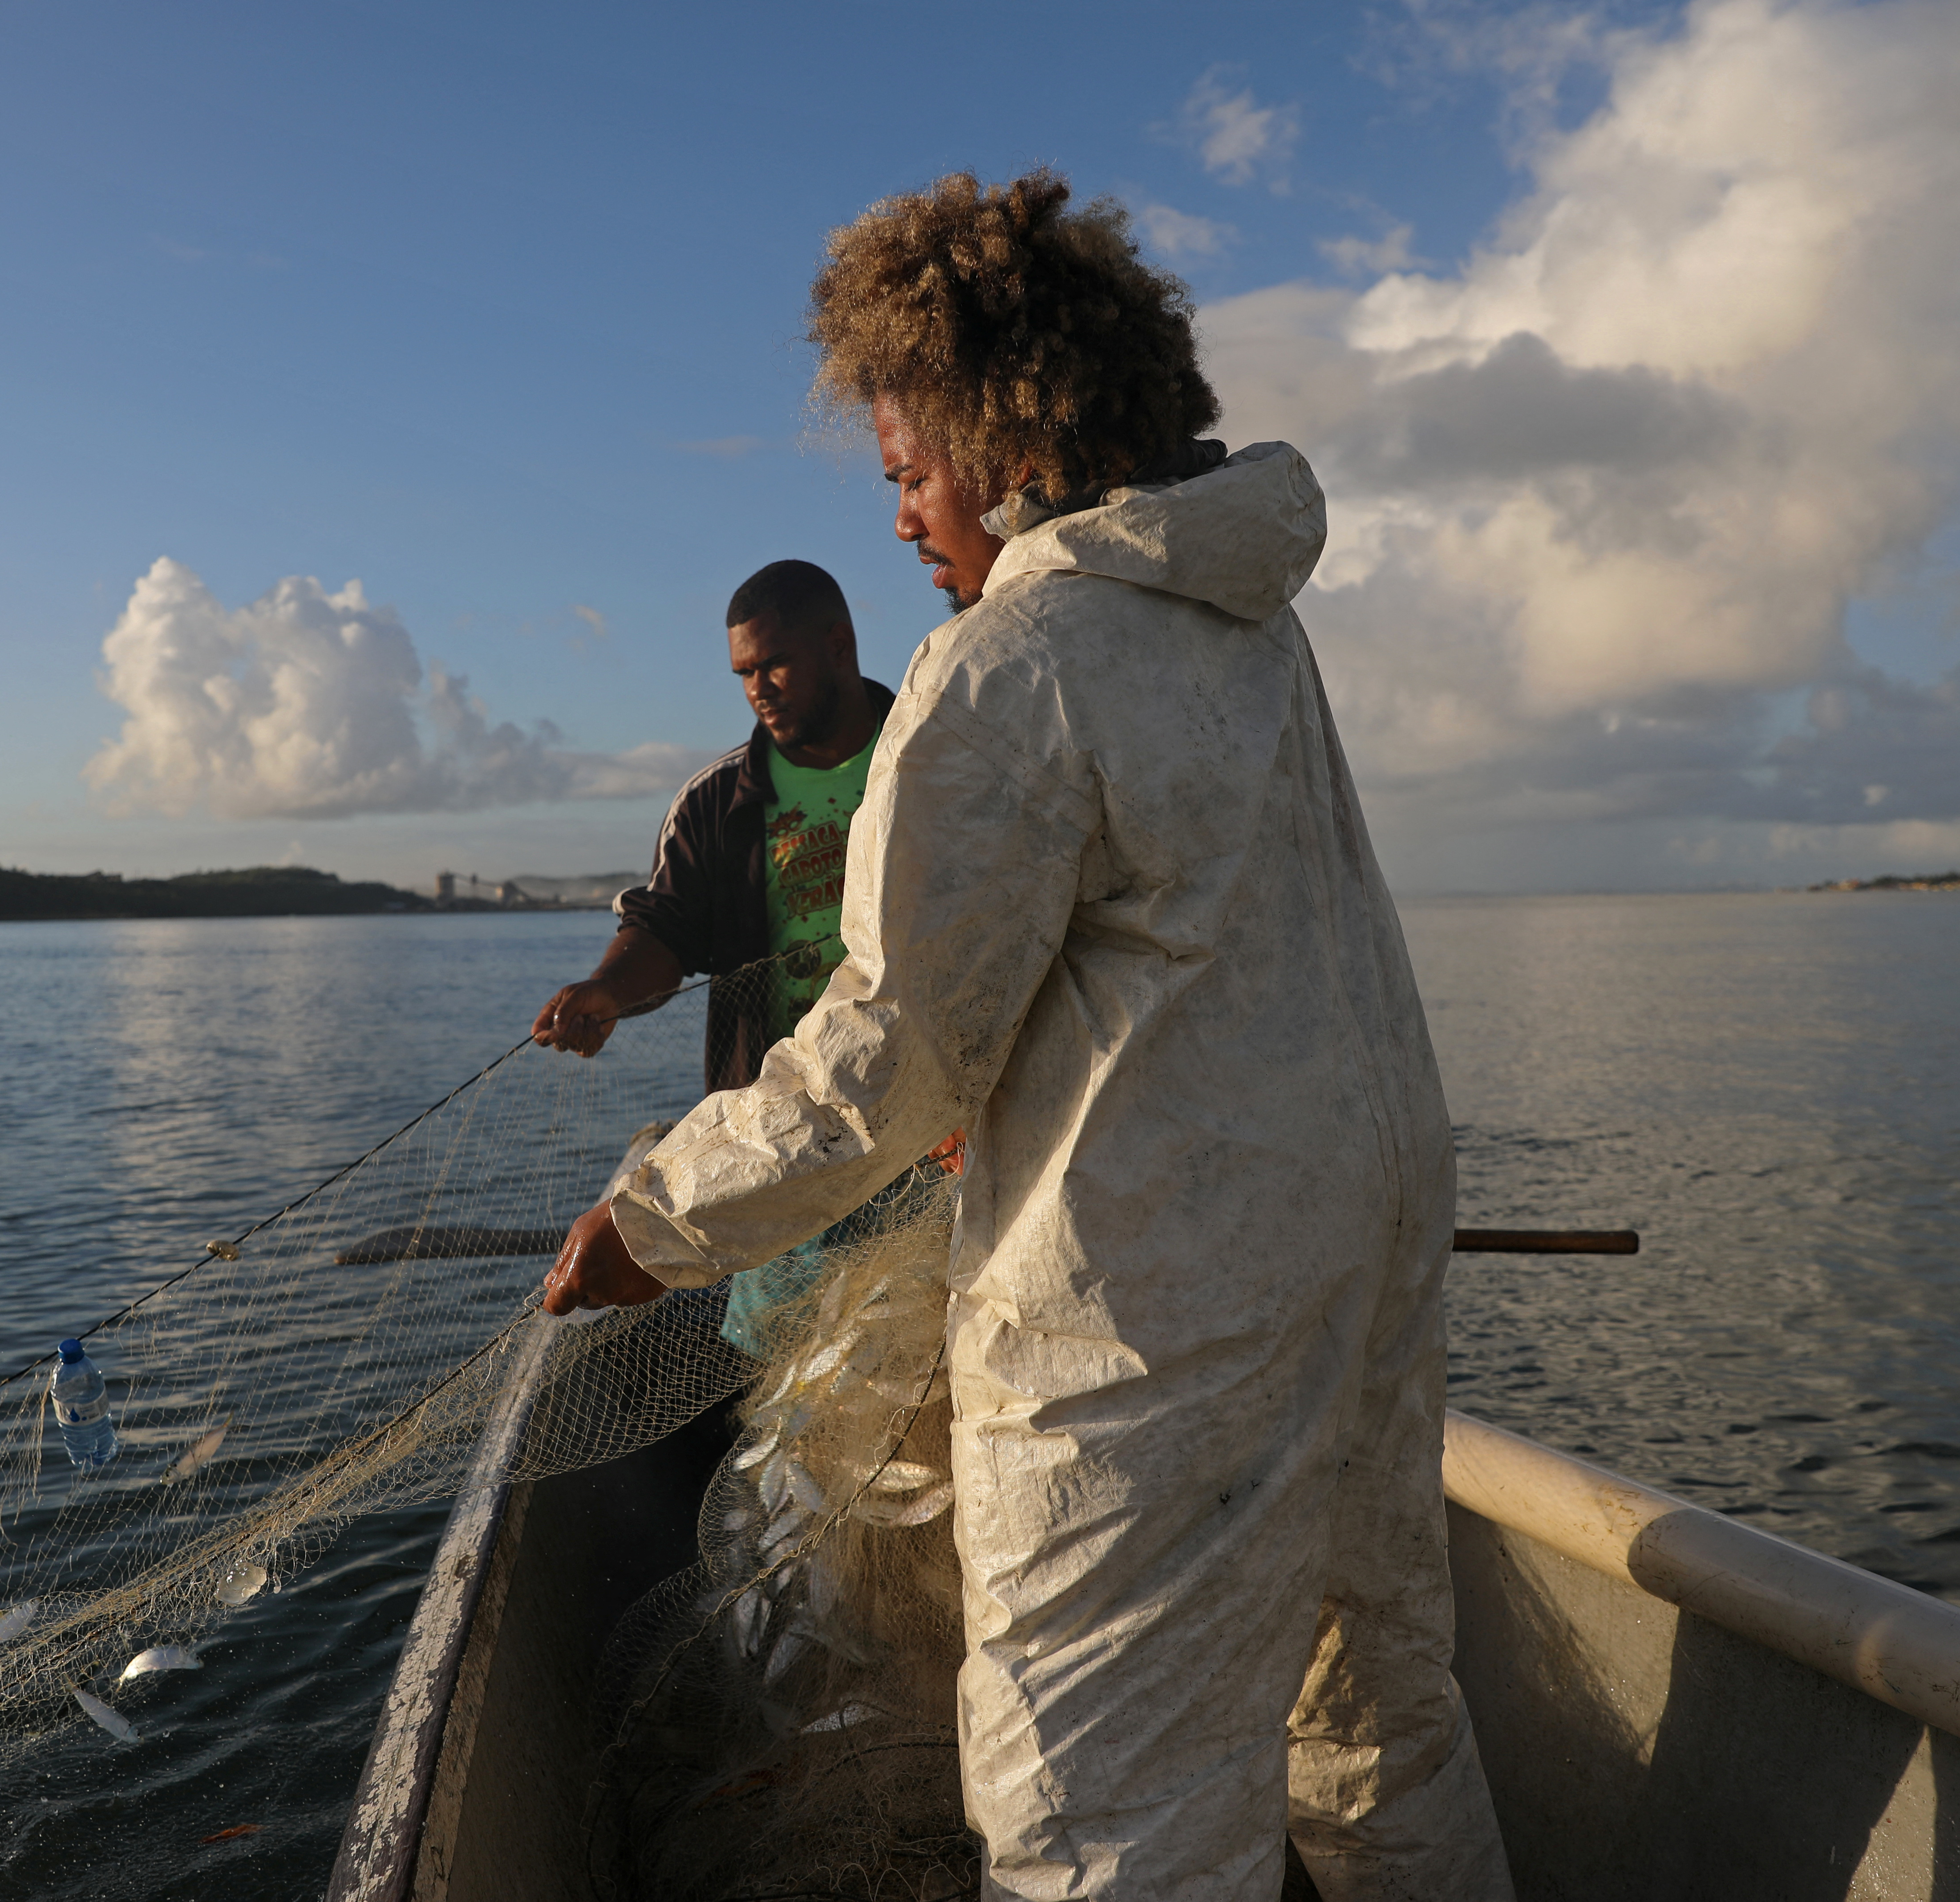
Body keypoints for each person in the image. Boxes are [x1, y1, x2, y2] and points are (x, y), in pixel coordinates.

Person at [541, 170, 1518, 1901]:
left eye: (906, 473)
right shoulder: (1252, 631)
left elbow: (888, 1055)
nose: (903, 520)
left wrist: (655, 1219)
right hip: (1357, 1254)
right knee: (1377, 1726)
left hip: (1158, 1309)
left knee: (1095, 1817)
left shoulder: (1011, 664)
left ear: (1003, 442)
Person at [530, 559, 898, 1353]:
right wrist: (608, 990)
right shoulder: (715, 801)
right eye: (742, 673)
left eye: (774, 664)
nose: (757, 688)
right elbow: (665, 930)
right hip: (783, 1138)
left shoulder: (928, 756)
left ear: (839, 646)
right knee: (780, 1367)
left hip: (927, 1128)